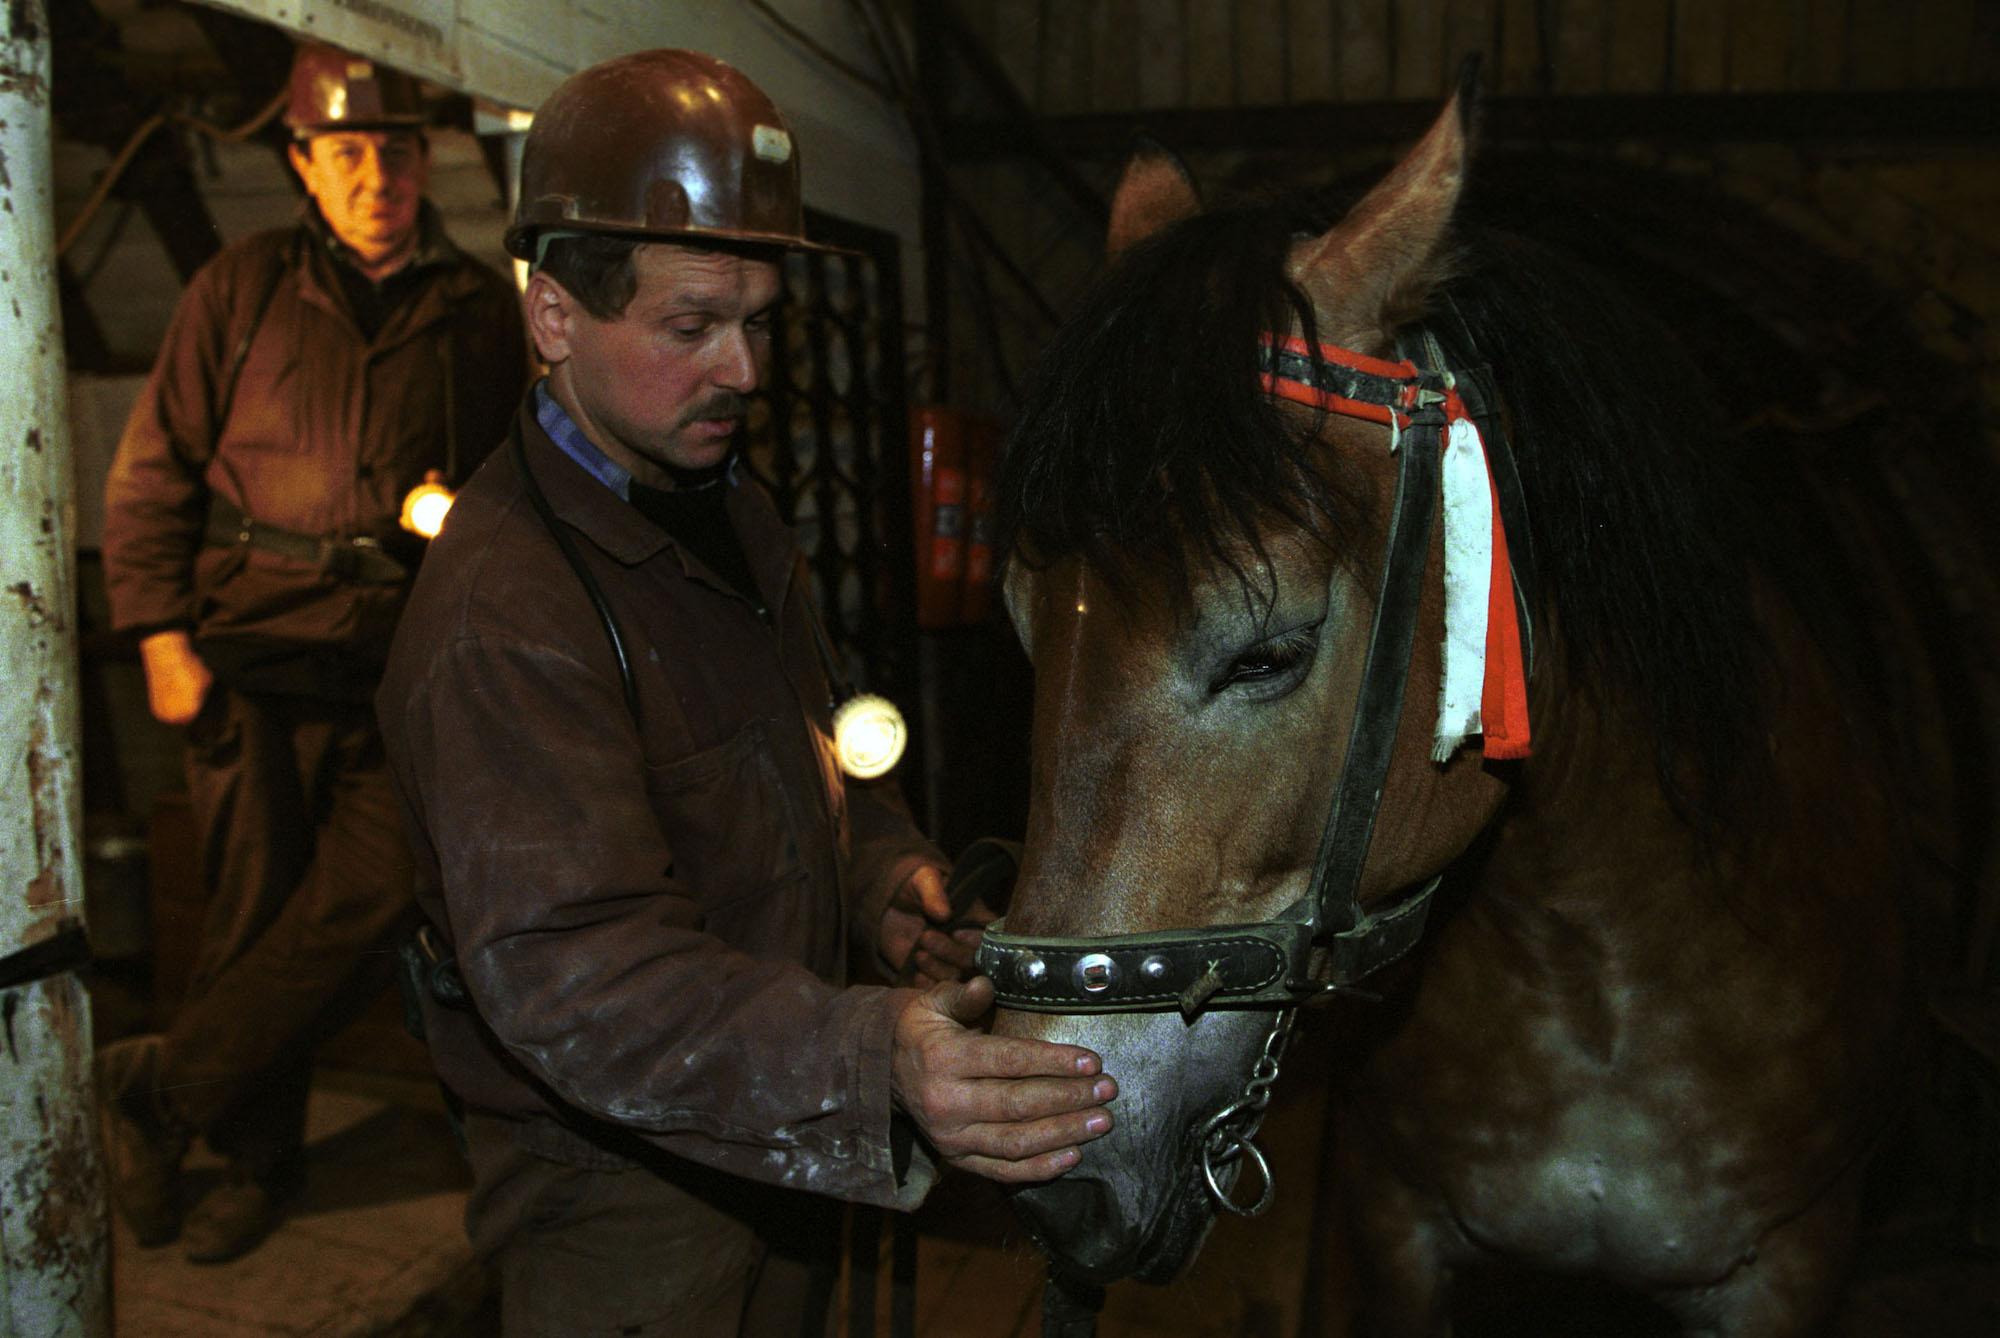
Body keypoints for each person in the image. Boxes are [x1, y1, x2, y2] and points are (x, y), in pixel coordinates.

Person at [371, 48, 1117, 1336]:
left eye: (759, 322)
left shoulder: (726, 510)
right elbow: (577, 972)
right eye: (689, 326)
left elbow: (789, 765)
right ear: (554, 317)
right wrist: (872, 1051)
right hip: (624, 1208)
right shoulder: (508, 613)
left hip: (773, 1134)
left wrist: (883, 886)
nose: (745, 372)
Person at [94, 42, 529, 1263]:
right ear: (302, 163)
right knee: (251, 918)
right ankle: (249, 1168)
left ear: (423, 157)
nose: (375, 174)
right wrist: (158, 636)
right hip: (249, 653)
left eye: (394, 148)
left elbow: (512, 491)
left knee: (368, 901)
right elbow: (153, 470)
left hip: (398, 669)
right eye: (345, 150)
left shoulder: (474, 307)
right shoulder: (239, 287)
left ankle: (161, 1091)